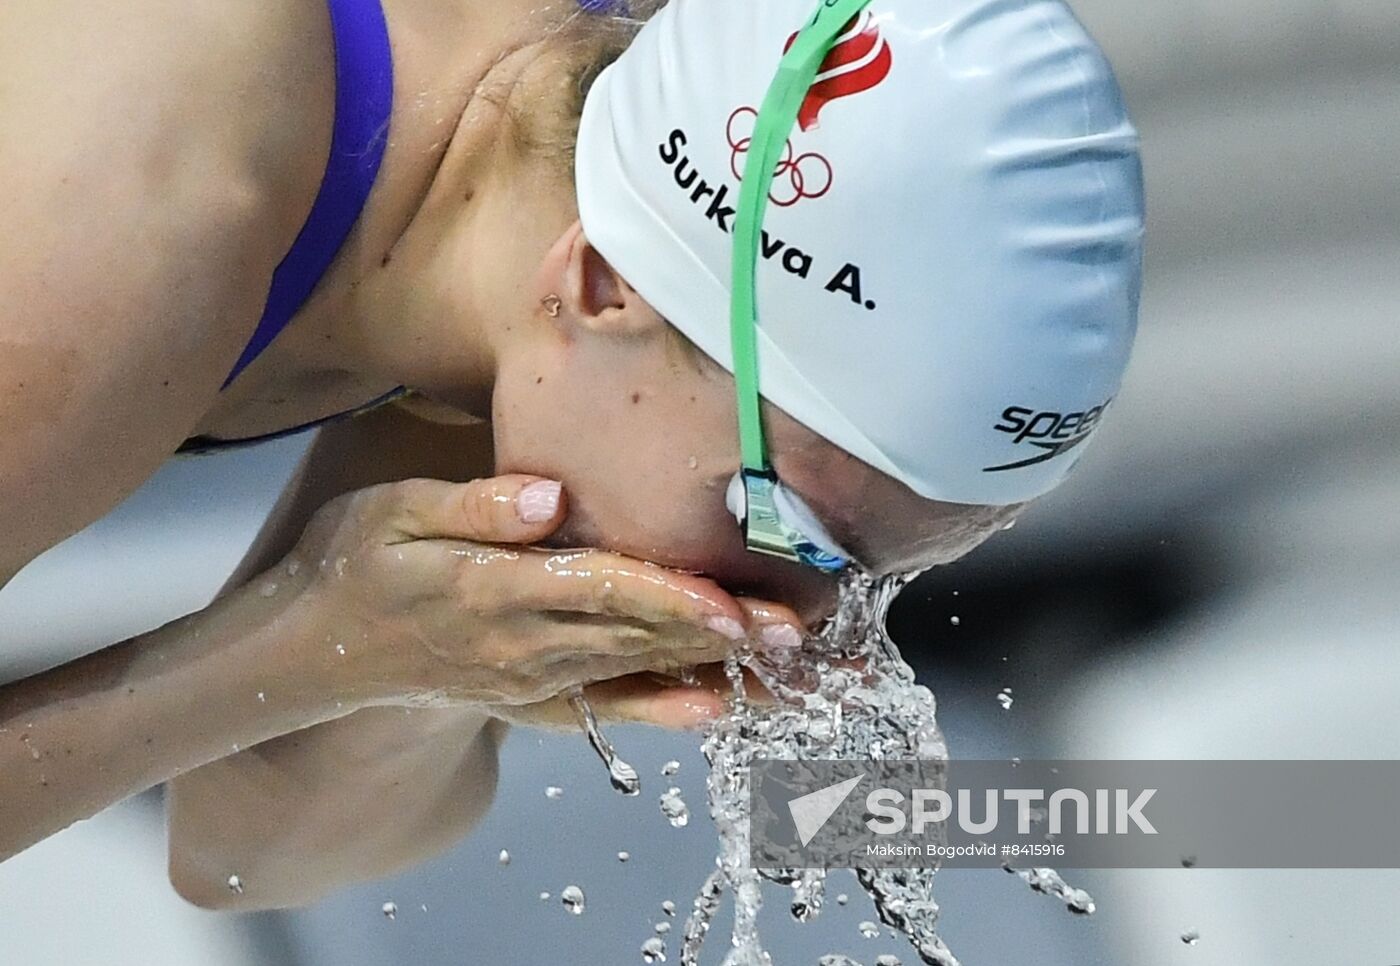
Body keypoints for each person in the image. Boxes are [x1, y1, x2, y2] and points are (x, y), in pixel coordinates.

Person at [0, 0, 1143, 908]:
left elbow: (243, 854)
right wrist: (308, 639)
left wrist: (399, 654)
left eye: (870, 576)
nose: (793, 619)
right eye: (784, 524)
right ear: (603, 284)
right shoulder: (132, 201)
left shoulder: (547, 211)